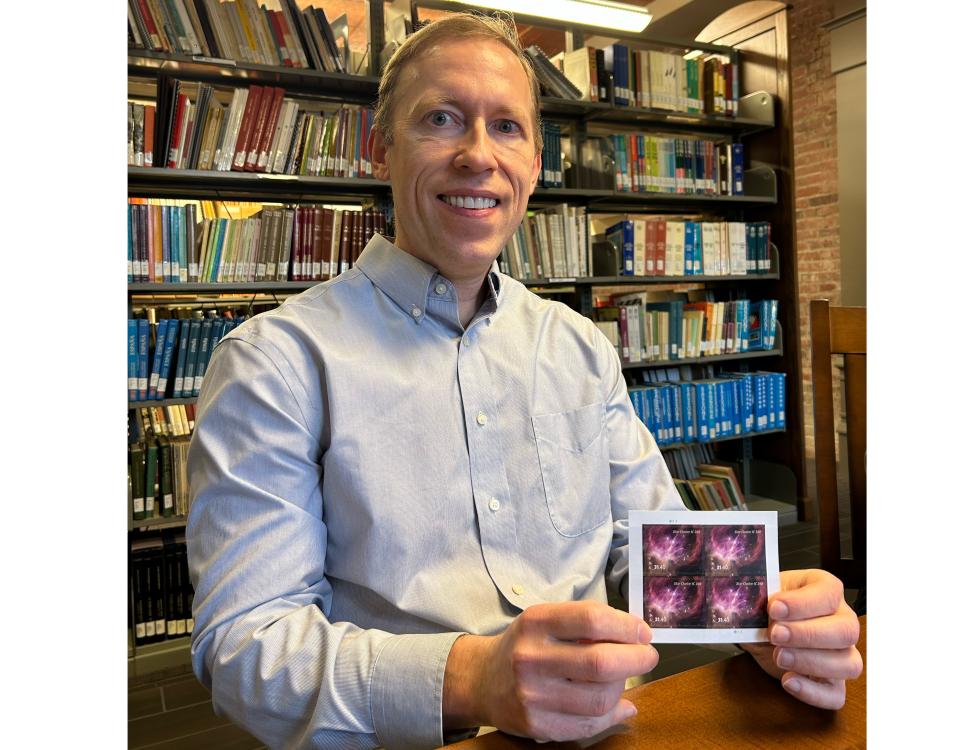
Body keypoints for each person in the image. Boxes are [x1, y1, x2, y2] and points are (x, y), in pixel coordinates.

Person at [186, 12, 862, 750]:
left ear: (536, 164)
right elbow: (245, 647)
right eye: (441, 119)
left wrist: (770, 617)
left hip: (610, 735)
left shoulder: (576, 346)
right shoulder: (274, 363)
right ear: (383, 151)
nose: (478, 155)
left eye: (507, 127)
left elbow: (651, 552)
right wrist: (471, 678)